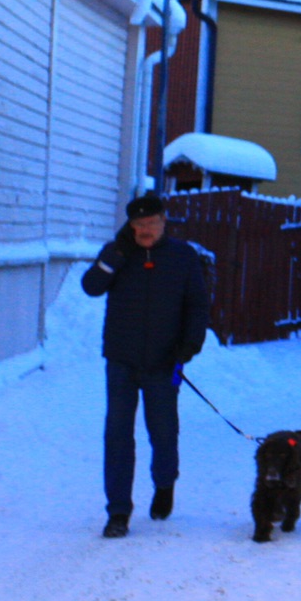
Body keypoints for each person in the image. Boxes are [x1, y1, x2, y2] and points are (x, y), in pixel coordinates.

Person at [81, 192, 210, 538]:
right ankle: (118, 512)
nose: (146, 230)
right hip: (122, 360)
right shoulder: (119, 253)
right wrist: (116, 255)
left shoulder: (183, 257)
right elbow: (91, 287)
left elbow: (198, 305)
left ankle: (165, 482)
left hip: (164, 361)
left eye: (151, 223)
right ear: (130, 226)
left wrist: (190, 345)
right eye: (138, 224)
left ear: (163, 222)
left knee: (163, 432)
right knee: (118, 434)